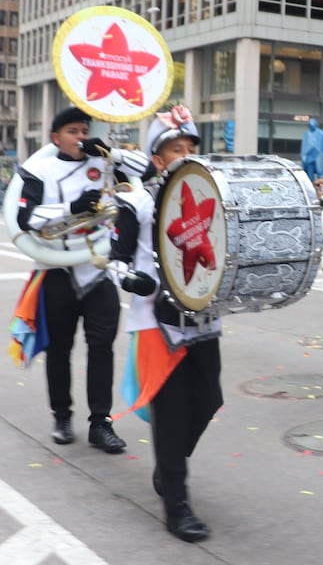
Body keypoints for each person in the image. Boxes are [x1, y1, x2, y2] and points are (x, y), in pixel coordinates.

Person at [110, 105, 220, 543]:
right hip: (157, 323)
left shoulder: (211, 198)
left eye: (191, 148)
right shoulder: (135, 203)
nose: (186, 155)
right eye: (177, 149)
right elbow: (114, 261)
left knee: (208, 400)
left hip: (203, 318)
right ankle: (176, 504)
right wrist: (132, 280)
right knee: (172, 415)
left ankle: (168, 465)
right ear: (158, 159)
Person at [11, 106, 149, 453]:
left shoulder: (102, 162)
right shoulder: (39, 168)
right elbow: (26, 217)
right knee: (60, 349)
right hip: (58, 270)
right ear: (56, 137)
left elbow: (147, 172)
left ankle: (100, 423)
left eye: (84, 130)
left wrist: (111, 152)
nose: (81, 137)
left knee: (102, 347)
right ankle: (62, 415)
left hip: (98, 268)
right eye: (73, 131)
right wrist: (72, 208)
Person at [301, 117, 323, 183]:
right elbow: (304, 146)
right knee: (309, 176)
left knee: (320, 174)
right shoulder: (306, 134)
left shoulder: (321, 134)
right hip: (309, 156)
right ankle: (311, 184)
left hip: (318, 155)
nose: (311, 126)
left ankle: (320, 184)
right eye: (310, 125)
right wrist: (304, 157)